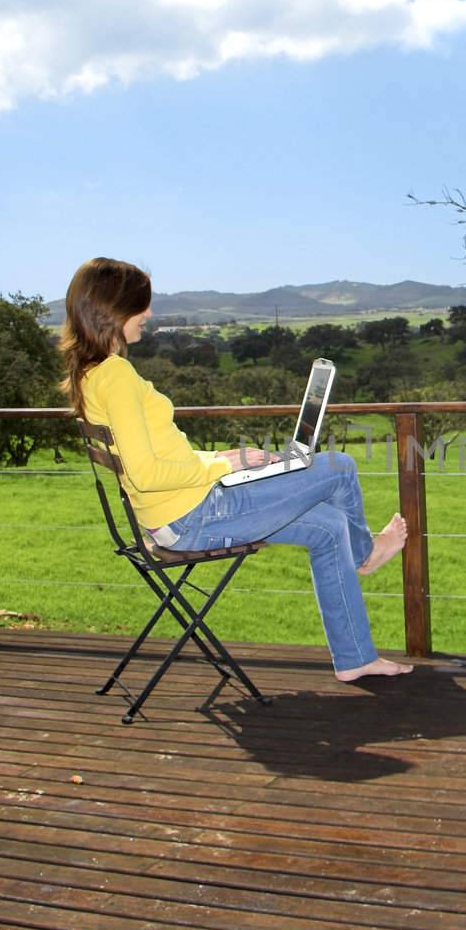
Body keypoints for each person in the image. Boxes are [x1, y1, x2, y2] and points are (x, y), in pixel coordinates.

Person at [60, 257, 412, 681]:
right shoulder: (115, 375)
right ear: (113, 311)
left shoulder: (92, 373)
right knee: (339, 465)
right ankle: (368, 555)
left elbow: (158, 461)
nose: (149, 314)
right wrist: (215, 470)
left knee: (329, 525)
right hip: (194, 516)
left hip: (181, 511)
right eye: (142, 305)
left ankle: (356, 658)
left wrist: (224, 460)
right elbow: (147, 474)